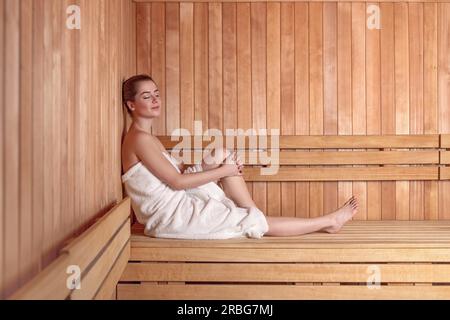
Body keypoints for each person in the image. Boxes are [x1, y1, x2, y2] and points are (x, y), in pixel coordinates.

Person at [121, 74, 359, 239]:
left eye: (157, 94)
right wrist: (224, 172)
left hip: (176, 200)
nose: (155, 100)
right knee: (228, 171)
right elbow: (176, 182)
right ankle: (328, 222)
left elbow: (178, 173)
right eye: (146, 96)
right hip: (173, 216)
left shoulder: (145, 137)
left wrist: (220, 162)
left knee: (223, 153)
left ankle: (254, 217)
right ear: (131, 105)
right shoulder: (140, 139)